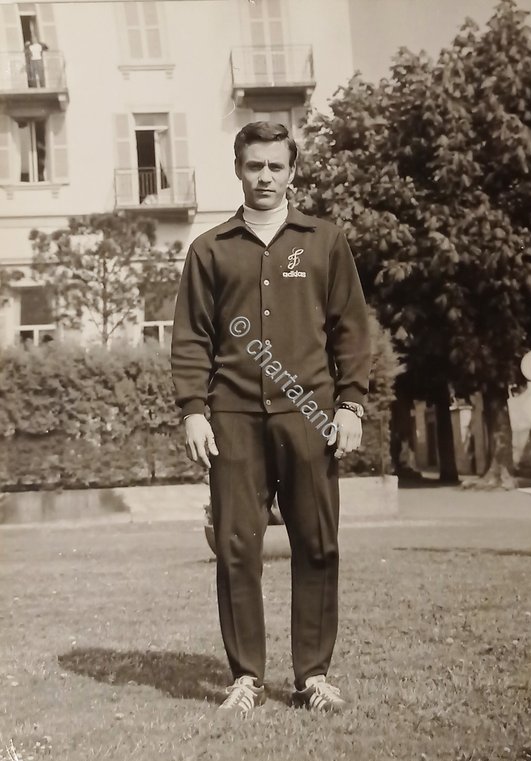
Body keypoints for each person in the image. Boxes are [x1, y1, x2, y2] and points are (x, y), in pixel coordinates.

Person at [171, 122, 371, 714]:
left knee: (316, 543)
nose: (264, 177)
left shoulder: (325, 240)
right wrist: (193, 410)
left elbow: (351, 329)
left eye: (275, 167)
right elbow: (191, 338)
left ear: (292, 171)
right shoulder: (209, 248)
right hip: (231, 417)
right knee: (236, 548)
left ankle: (313, 675)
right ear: (237, 168)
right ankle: (246, 678)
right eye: (254, 165)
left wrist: (352, 403)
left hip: (310, 414)